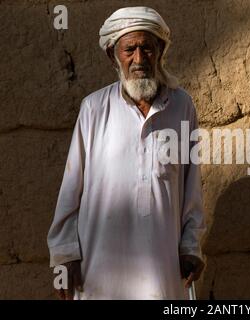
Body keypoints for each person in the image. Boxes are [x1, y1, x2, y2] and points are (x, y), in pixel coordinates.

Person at [47, 6, 206, 300]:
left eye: (147, 48)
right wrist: (64, 254)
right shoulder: (93, 109)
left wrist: (191, 246)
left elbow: (192, 186)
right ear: (113, 55)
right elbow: (71, 189)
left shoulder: (182, 107)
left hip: (161, 268)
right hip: (99, 268)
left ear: (160, 51)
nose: (138, 59)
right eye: (128, 49)